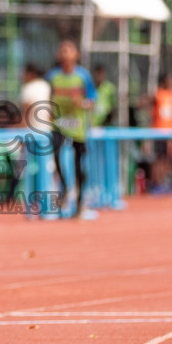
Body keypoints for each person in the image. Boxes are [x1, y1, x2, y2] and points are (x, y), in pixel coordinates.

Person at [47, 41, 98, 219]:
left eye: (68, 50)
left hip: (78, 126)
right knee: (56, 156)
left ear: (76, 55)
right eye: (62, 50)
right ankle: (65, 187)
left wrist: (83, 103)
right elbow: (48, 97)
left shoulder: (83, 76)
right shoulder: (53, 76)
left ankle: (79, 203)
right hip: (59, 123)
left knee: (78, 165)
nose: (64, 54)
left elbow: (92, 100)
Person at [149, 72, 172, 192]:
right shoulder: (158, 94)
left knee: (168, 158)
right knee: (159, 158)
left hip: (170, 132)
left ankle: (164, 181)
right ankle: (156, 182)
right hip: (159, 131)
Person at [17, 63, 50, 127]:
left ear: (30, 74)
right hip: (47, 128)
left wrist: (18, 127)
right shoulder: (45, 85)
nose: (23, 75)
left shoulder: (27, 87)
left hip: (33, 129)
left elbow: (28, 110)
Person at [92, 64, 117, 128]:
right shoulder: (90, 87)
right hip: (93, 122)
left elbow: (114, 106)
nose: (99, 77)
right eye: (98, 74)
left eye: (101, 74)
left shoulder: (110, 88)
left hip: (106, 122)